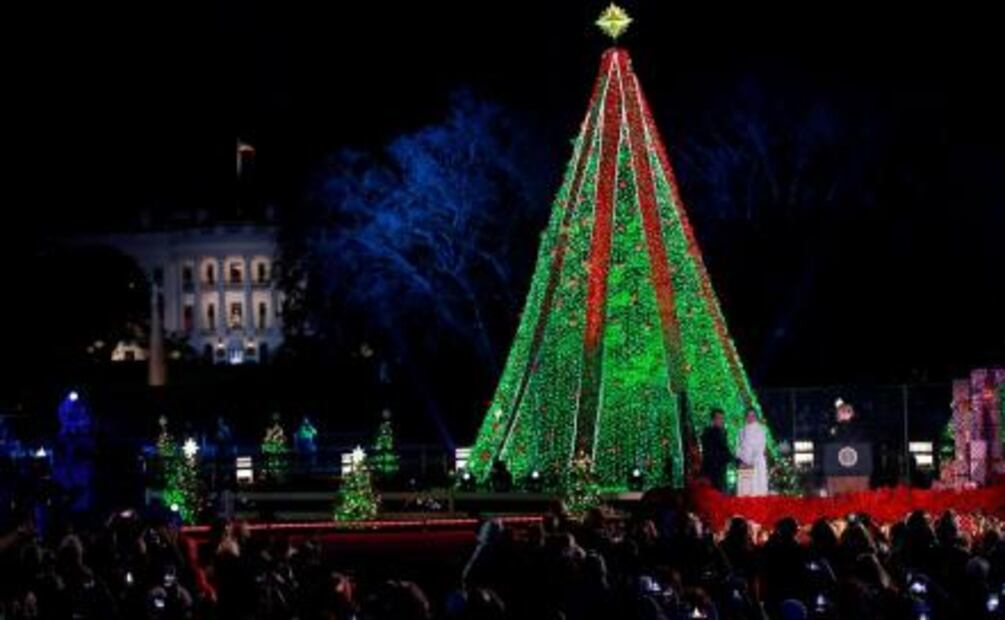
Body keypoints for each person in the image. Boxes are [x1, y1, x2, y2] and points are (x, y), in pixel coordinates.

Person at [736, 409, 769, 496]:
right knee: (745, 491)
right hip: (745, 465)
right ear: (745, 417)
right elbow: (738, 447)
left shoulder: (761, 430)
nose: (750, 418)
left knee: (758, 489)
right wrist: (742, 461)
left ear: (756, 417)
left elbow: (760, 447)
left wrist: (751, 462)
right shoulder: (741, 431)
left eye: (753, 416)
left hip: (757, 463)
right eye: (748, 415)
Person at [700, 409, 734, 492]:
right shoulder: (710, 433)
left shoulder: (722, 432)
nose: (721, 420)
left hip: (720, 469)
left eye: (722, 418)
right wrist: (735, 461)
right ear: (713, 420)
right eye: (718, 418)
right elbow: (721, 451)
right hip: (713, 470)